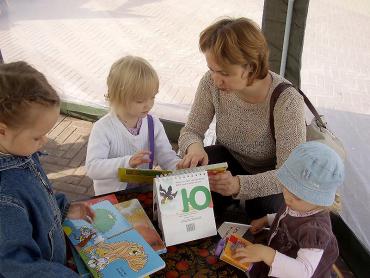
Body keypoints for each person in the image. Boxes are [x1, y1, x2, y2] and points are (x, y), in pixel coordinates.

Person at [177, 17, 306, 221]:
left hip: (269, 177)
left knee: (270, 213)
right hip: (227, 163)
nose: (216, 79)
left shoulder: (287, 101)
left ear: (252, 67)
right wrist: (194, 148)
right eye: (212, 69)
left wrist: (239, 185)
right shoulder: (211, 83)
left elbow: (289, 174)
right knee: (192, 181)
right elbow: (191, 130)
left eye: (224, 73)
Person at [0, 61, 95, 277]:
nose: (45, 141)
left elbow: (39, 198)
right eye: (37, 136)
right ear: (2, 131)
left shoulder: (20, 150)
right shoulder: (4, 196)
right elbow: (17, 266)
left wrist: (62, 209)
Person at [233, 141, 344, 277]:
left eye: (297, 196)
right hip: (281, 252)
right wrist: (266, 219)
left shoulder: (315, 231)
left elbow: (303, 272)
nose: (287, 197)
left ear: (319, 200)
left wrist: (266, 254)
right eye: (285, 187)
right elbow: (286, 215)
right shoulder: (298, 204)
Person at [86, 56, 180, 195]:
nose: (149, 104)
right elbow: (92, 168)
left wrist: (181, 167)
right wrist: (127, 162)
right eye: (140, 100)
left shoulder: (153, 124)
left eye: (153, 97)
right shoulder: (103, 128)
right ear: (118, 97)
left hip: (143, 192)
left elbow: (166, 156)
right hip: (113, 198)